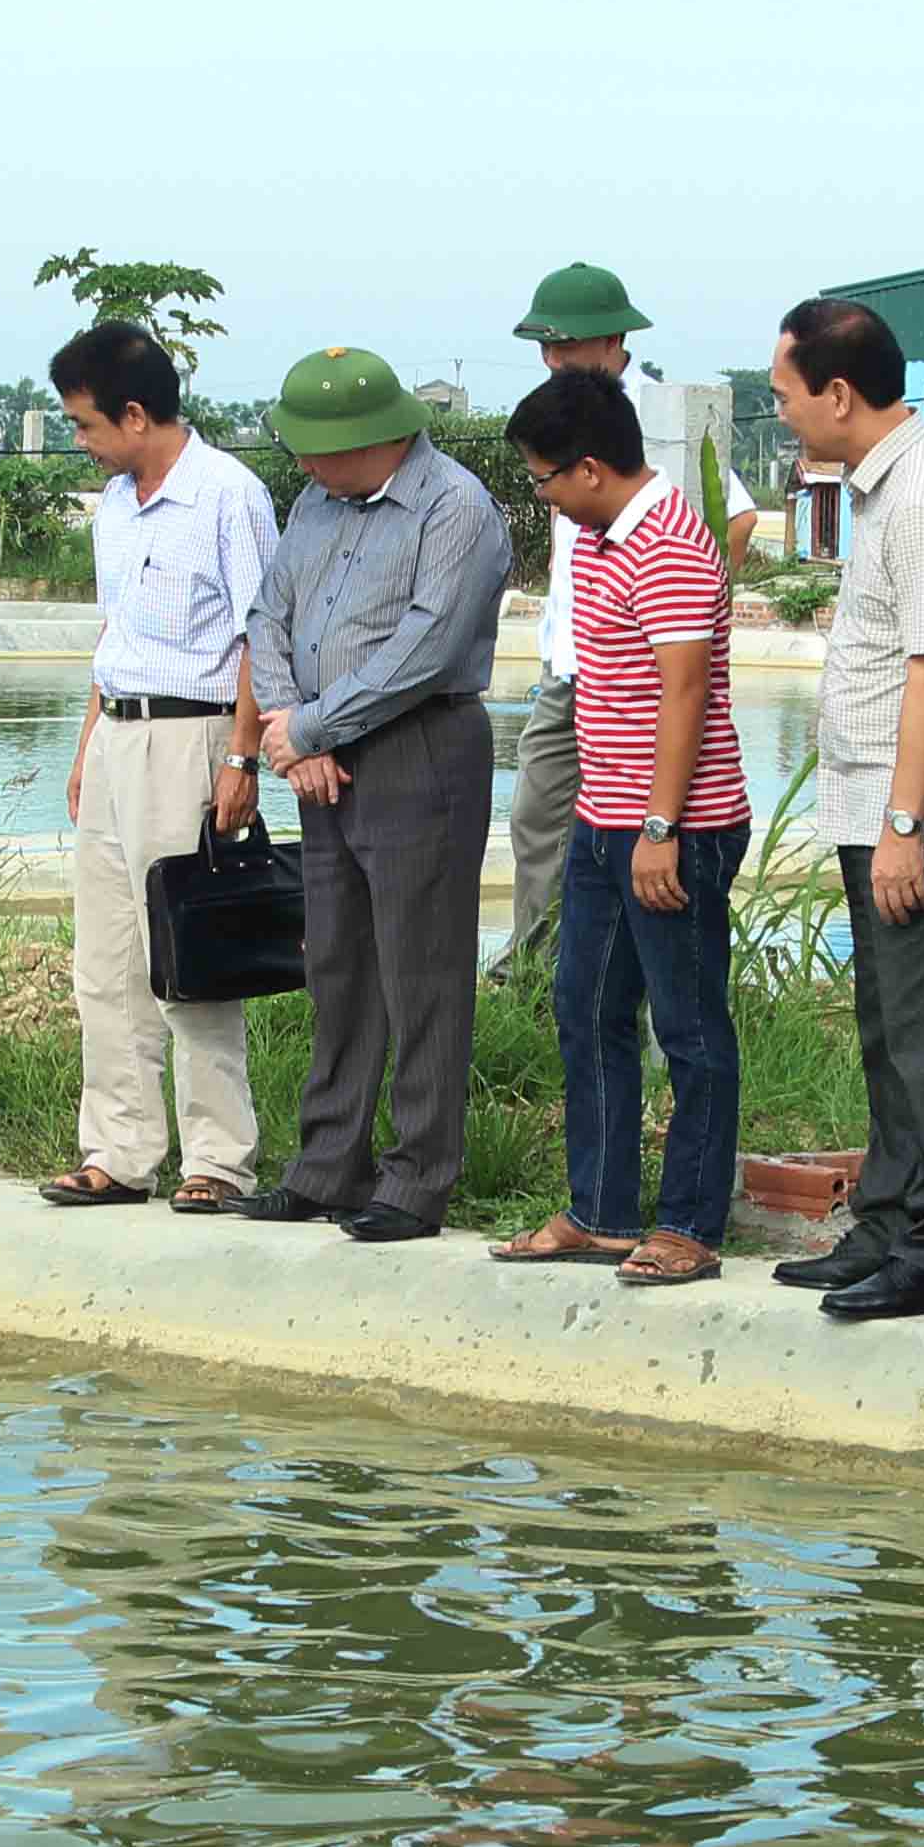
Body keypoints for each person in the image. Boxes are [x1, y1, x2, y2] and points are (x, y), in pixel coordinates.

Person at [767, 294, 924, 1322]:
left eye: (783, 394)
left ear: (836, 393)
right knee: (888, 1025)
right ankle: (885, 1221)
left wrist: (904, 828)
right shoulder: (880, 488)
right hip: (877, 811)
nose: (779, 411)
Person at [491, 365, 746, 1287]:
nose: (544, 498)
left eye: (545, 479)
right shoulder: (598, 540)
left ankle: (690, 1222)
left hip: (676, 825)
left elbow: (684, 693)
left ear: (590, 468)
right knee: (587, 1009)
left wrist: (660, 827)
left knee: (687, 1025)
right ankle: (601, 1210)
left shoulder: (670, 543)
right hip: (605, 822)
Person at [245, 345, 506, 1242]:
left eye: (318, 448)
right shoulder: (315, 503)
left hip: (419, 744)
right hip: (318, 751)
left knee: (421, 966)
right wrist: (293, 726)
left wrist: (317, 728)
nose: (304, 466)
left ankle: (419, 1177)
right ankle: (327, 1166)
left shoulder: (455, 509)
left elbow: (426, 649)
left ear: (376, 438)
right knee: (339, 962)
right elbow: (267, 614)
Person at [48, 317, 275, 1215]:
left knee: (189, 954)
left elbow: (264, 634)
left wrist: (243, 757)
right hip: (116, 736)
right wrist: (85, 744)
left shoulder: (229, 495)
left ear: (134, 415)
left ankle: (219, 1161)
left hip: (195, 737)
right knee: (104, 961)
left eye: (86, 425)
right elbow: (117, 633)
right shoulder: (113, 504)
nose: (81, 442)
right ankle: (119, 1150)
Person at [496, 260, 661, 978]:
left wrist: (659, 618)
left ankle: (610, 975)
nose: (552, 361)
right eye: (544, 348)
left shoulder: (657, 411)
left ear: (612, 341)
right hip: (567, 667)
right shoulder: (556, 415)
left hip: (632, 669)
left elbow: (733, 518)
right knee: (538, 813)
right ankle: (539, 963)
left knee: (628, 831)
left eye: (565, 346)